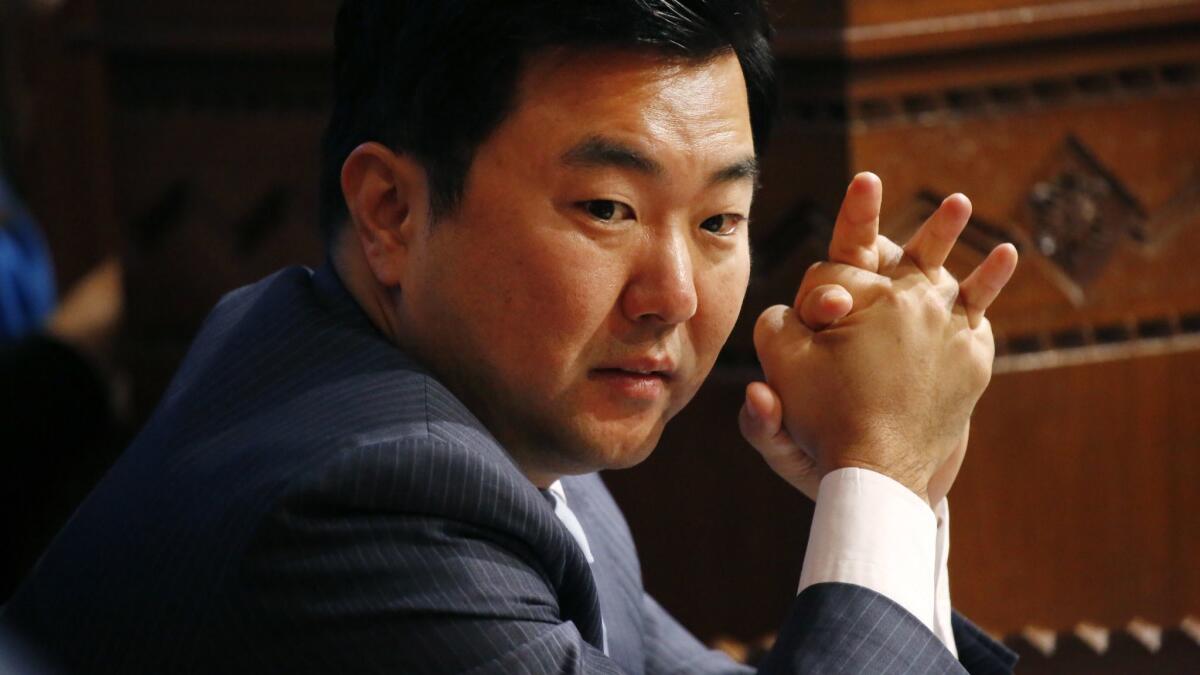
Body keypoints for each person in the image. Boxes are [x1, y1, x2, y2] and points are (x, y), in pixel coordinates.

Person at [0, 1, 1020, 673]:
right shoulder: (371, 499)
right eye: (609, 208)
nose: (671, 295)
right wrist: (881, 469)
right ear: (391, 211)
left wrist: (897, 482)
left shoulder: (457, 419)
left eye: (718, 222)